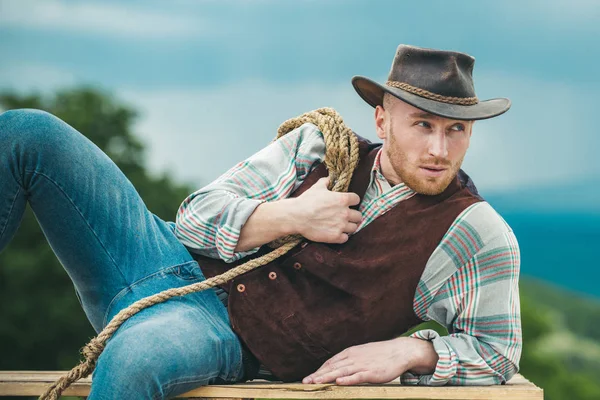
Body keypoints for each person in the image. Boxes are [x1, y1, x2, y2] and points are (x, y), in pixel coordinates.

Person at [0, 44, 521, 399]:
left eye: (456, 129)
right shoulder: (319, 145)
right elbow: (192, 220)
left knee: (137, 358)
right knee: (27, 133)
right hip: (161, 261)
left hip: (220, 336)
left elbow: (498, 352)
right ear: (382, 119)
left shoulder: (475, 234)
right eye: (423, 125)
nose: (438, 149)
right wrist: (292, 215)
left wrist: (413, 350)